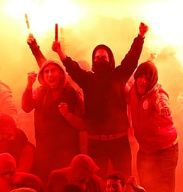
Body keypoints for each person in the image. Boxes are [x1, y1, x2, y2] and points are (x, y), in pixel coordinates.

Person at [52, 22, 148, 175]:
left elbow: (131, 59)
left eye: (104, 57)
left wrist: (140, 37)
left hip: (119, 141)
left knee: (124, 181)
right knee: (98, 184)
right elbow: (73, 69)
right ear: (93, 60)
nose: (100, 59)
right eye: (97, 57)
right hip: (96, 142)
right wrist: (59, 52)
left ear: (110, 59)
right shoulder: (88, 80)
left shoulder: (119, 76)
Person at [129, 60, 179, 192]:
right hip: (146, 150)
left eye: (147, 78)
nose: (142, 81)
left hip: (166, 150)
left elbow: (163, 103)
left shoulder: (158, 94)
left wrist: (163, 108)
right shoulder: (132, 90)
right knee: (146, 191)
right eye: (140, 76)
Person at [22, 60, 85, 180]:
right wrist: (29, 86)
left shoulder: (72, 93)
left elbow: (83, 125)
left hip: (67, 155)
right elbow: (26, 107)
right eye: (46, 72)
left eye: (53, 71)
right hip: (44, 153)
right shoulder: (39, 92)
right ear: (43, 76)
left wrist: (67, 115)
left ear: (61, 73)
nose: (50, 75)